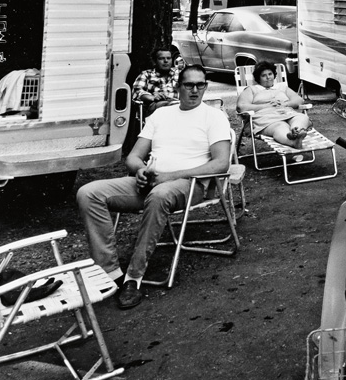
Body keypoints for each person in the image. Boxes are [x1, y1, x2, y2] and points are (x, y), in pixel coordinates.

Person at [76, 64, 231, 310]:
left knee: (159, 194)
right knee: (89, 193)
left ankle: (133, 277)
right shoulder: (161, 115)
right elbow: (134, 156)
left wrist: (170, 177)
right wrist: (140, 170)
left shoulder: (214, 117)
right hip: (151, 183)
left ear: (205, 87)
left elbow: (221, 163)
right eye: (188, 85)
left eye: (200, 85)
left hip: (189, 185)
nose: (194, 90)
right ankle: (111, 273)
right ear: (177, 87)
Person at [236, 60, 312, 149]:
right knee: (280, 126)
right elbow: (241, 106)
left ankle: (296, 131)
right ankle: (293, 141)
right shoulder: (252, 89)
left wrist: (285, 104)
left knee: (302, 117)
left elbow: (299, 100)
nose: (268, 77)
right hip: (266, 118)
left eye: (270, 74)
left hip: (287, 113)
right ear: (258, 78)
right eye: (264, 75)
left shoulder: (282, 87)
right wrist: (266, 106)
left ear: (274, 75)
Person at [132, 45, 181, 116]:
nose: (166, 61)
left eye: (168, 58)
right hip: (157, 110)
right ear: (154, 61)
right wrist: (152, 97)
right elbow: (137, 92)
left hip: (178, 107)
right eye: (161, 58)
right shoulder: (147, 74)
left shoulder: (179, 73)